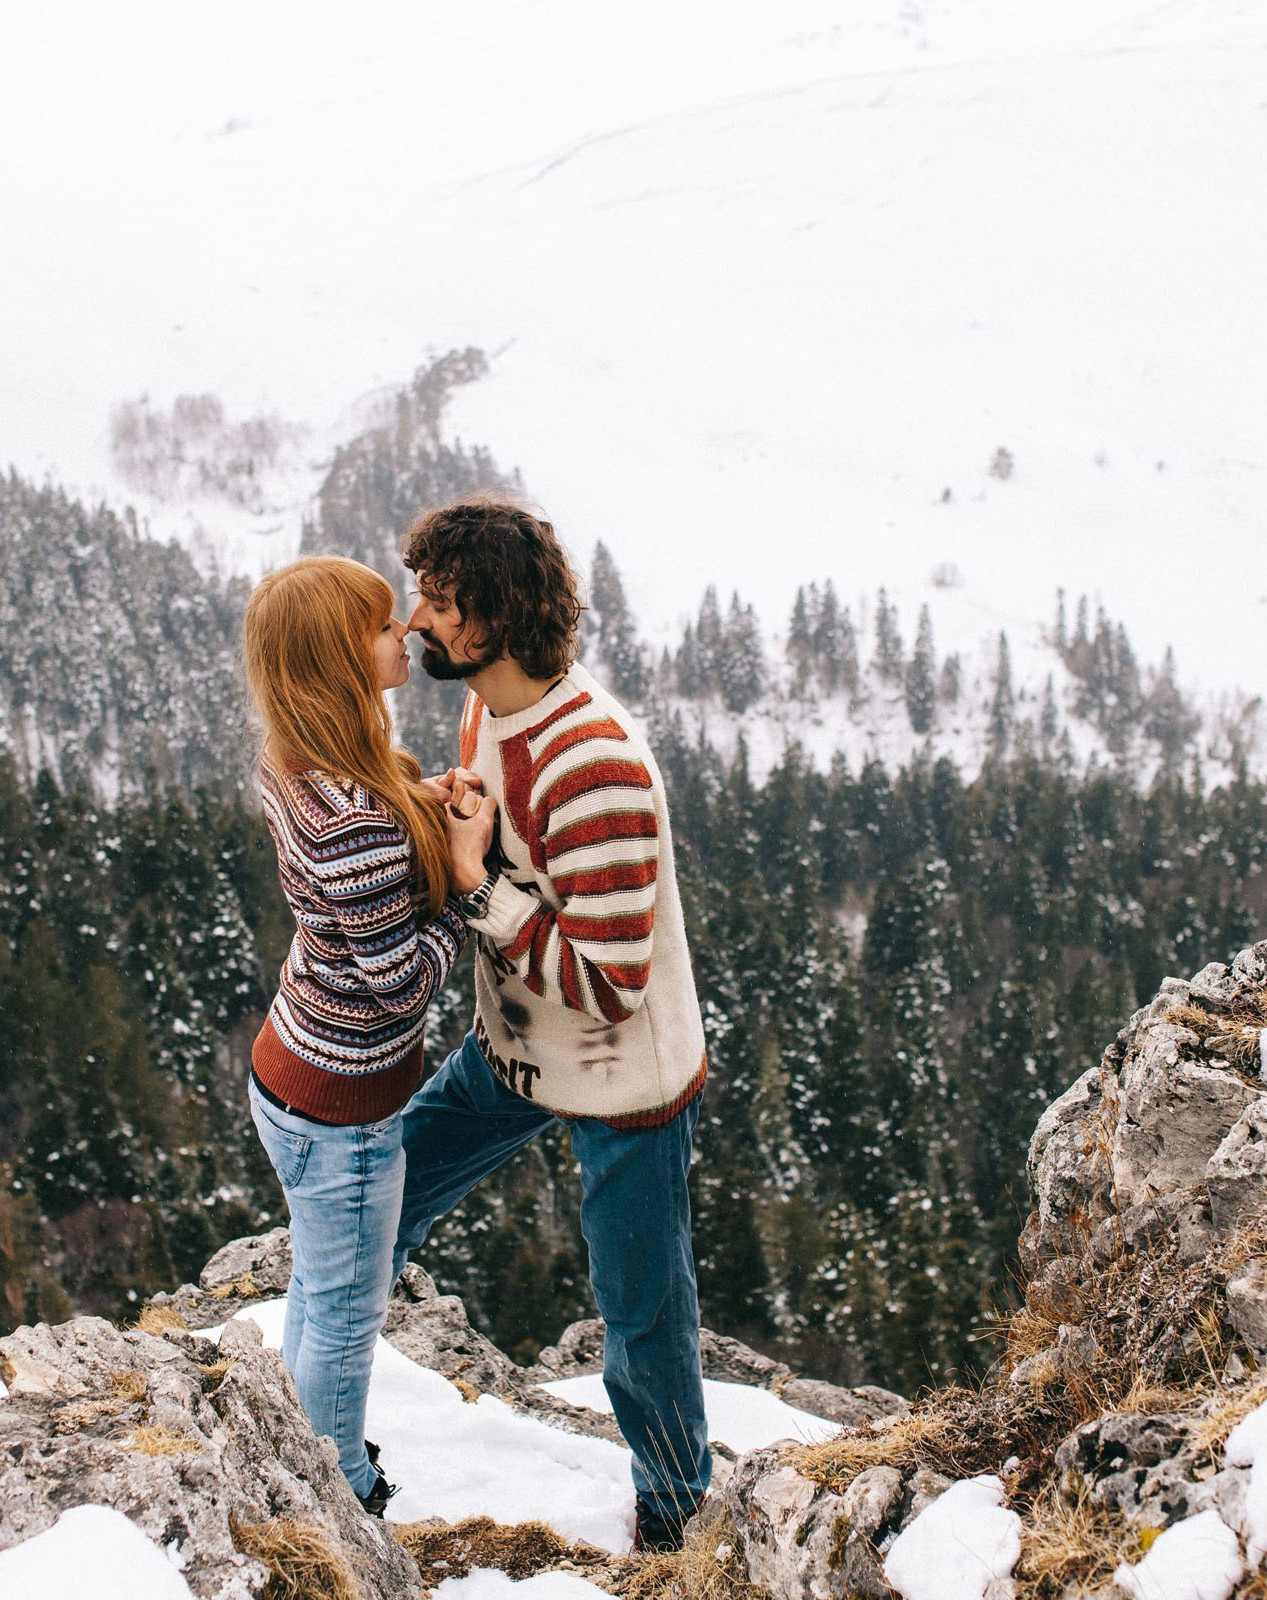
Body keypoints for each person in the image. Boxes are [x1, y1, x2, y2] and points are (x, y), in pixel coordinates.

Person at [392, 497, 713, 1553]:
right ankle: (314, 1354)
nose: (418, 619)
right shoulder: (488, 713)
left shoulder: (593, 763)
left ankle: (677, 1526)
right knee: (387, 1184)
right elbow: (504, 848)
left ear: (495, 619)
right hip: (517, 1049)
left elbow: (610, 981)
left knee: (642, 1318)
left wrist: (477, 884)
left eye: (440, 602)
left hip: (622, 1081)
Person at [240, 555, 500, 1513]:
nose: (406, 634)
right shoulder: (354, 819)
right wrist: (465, 884)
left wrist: (421, 815)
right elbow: (398, 987)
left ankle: (299, 1448)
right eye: (382, 625)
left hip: (293, 1070)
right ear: (336, 661)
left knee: (319, 1284)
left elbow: (358, 876)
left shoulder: (303, 762)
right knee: (347, 1317)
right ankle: (337, 1496)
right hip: (343, 1112)